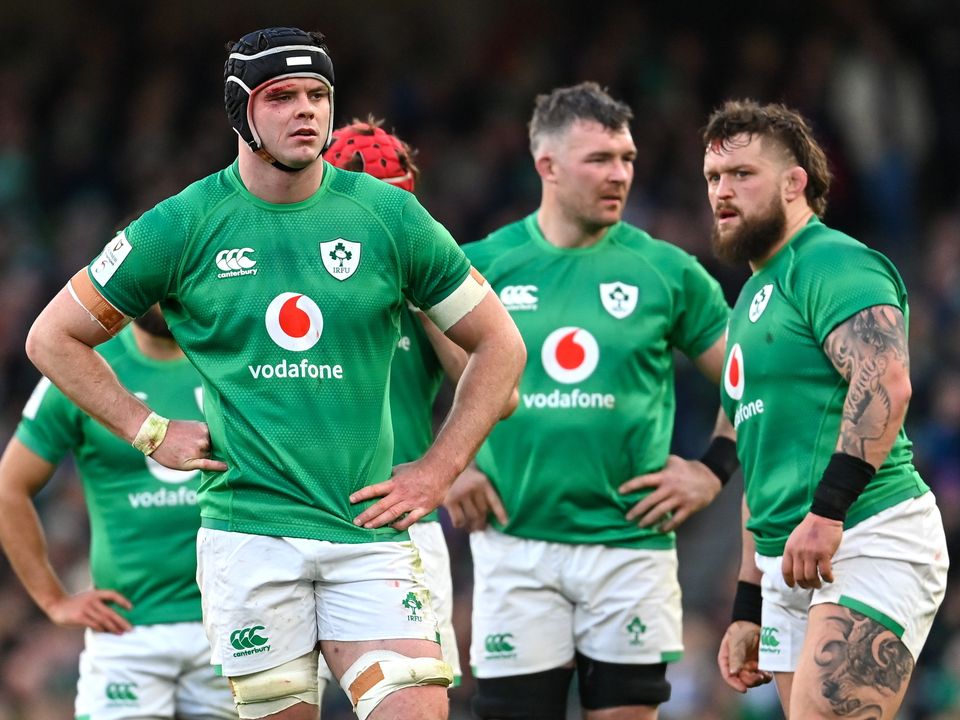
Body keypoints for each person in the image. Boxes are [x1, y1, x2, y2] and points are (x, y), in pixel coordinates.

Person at [24, 26, 525, 720]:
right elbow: (52, 337)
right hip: (249, 538)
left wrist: (439, 467)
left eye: (318, 95)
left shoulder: (388, 215)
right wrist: (148, 429)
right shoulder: (183, 225)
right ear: (240, 111)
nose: (307, 111)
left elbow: (502, 346)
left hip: (367, 534)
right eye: (282, 96)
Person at [444, 81, 736, 720]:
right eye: (599, 160)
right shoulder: (482, 265)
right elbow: (398, 379)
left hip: (629, 547)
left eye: (627, 158)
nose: (620, 174)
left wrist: (713, 470)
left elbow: (752, 380)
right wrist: (448, 466)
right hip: (514, 541)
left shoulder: (668, 271)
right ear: (546, 165)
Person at [704, 99, 948, 719]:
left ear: (795, 182)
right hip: (791, 559)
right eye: (713, 178)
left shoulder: (831, 261)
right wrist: (746, 603)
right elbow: (758, 459)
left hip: (867, 535)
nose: (722, 192)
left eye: (742, 175)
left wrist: (828, 510)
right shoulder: (750, 300)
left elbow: (886, 381)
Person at [0, 306, 236, 719]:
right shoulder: (81, 367)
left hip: (232, 622)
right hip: (128, 632)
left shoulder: (234, 359)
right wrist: (53, 600)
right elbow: (8, 488)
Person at [323, 116, 478, 690]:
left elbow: (489, 384)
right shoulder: (281, 275)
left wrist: (419, 286)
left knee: (413, 700)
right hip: (288, 517)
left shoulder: (431, 283)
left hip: (401, 525)